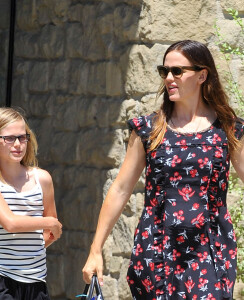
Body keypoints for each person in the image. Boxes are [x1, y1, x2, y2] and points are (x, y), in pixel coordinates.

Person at [82, 40, 244, 299]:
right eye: (164, 71)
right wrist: (95, 249)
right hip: (157, 249)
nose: (169, 78)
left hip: (211, 250)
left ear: (202, 75)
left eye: (177, 71)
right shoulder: (149, 129)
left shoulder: (228, 129)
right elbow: (121, 189)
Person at [0, 107, 62, 300]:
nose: (18, 145)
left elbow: (52, 233)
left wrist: (28, 252)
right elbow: (10, 223)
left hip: (37, 282)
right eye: (9, 138)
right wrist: (48, 222)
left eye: (22, 138)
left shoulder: (42, 178)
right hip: (0, 280)